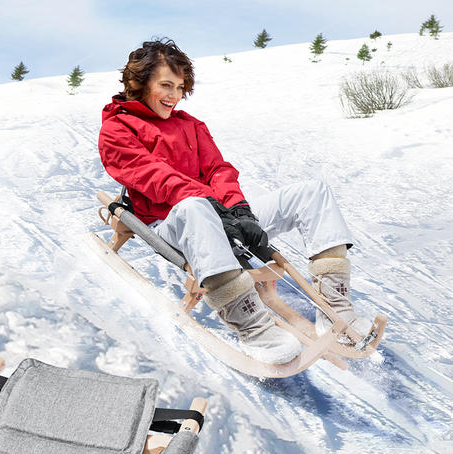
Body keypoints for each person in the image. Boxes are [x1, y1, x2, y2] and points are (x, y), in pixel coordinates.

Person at [98, 39, 372, 365]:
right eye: (165, 85)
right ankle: (253, 326)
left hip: (222, 215)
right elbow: (155, 176)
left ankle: (334, 309)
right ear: (140, 82)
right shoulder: (117, 129)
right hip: (174, 222)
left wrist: (239, 212)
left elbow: (218, 170)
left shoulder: (190, 125)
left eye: (180, 87)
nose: (174, 95)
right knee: (195, 208)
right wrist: (215, 208)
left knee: (312, 192)